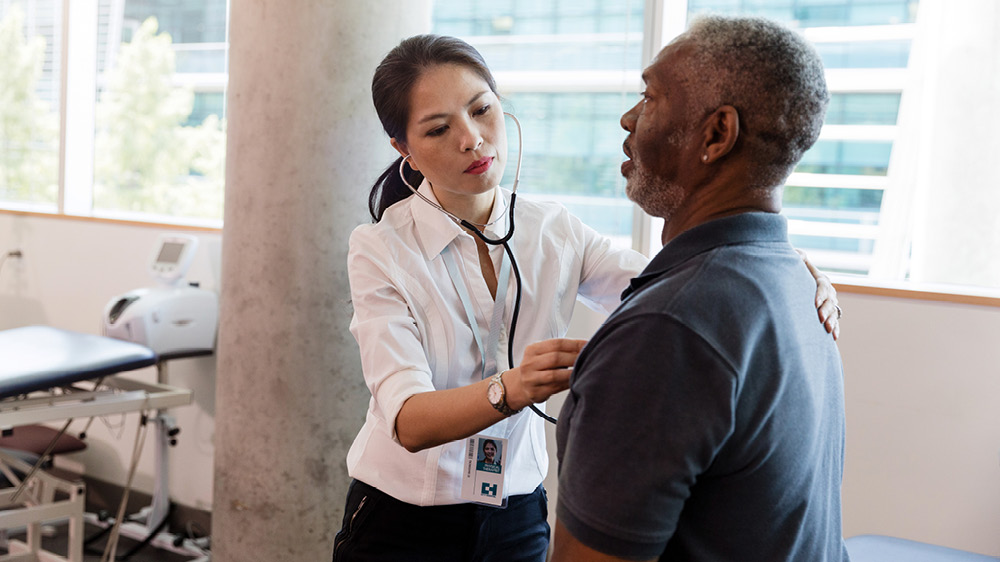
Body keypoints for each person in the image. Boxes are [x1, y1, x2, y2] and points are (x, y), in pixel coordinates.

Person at [333, 34, 840, 562]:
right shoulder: (378, 249)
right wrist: (512, 387)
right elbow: (408, 420)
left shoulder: (555, 230)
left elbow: (678, 282)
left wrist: (780, 258)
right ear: (404, 150)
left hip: (518, 516)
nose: (472, 139)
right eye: (439, 129)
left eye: (482, 110)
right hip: (403, 521)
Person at [551, 15, 849, 562]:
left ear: (716, 134)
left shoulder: (667, 331)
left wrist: (632, 367)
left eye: (650, 96)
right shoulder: (791, 279)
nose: (628, 117)